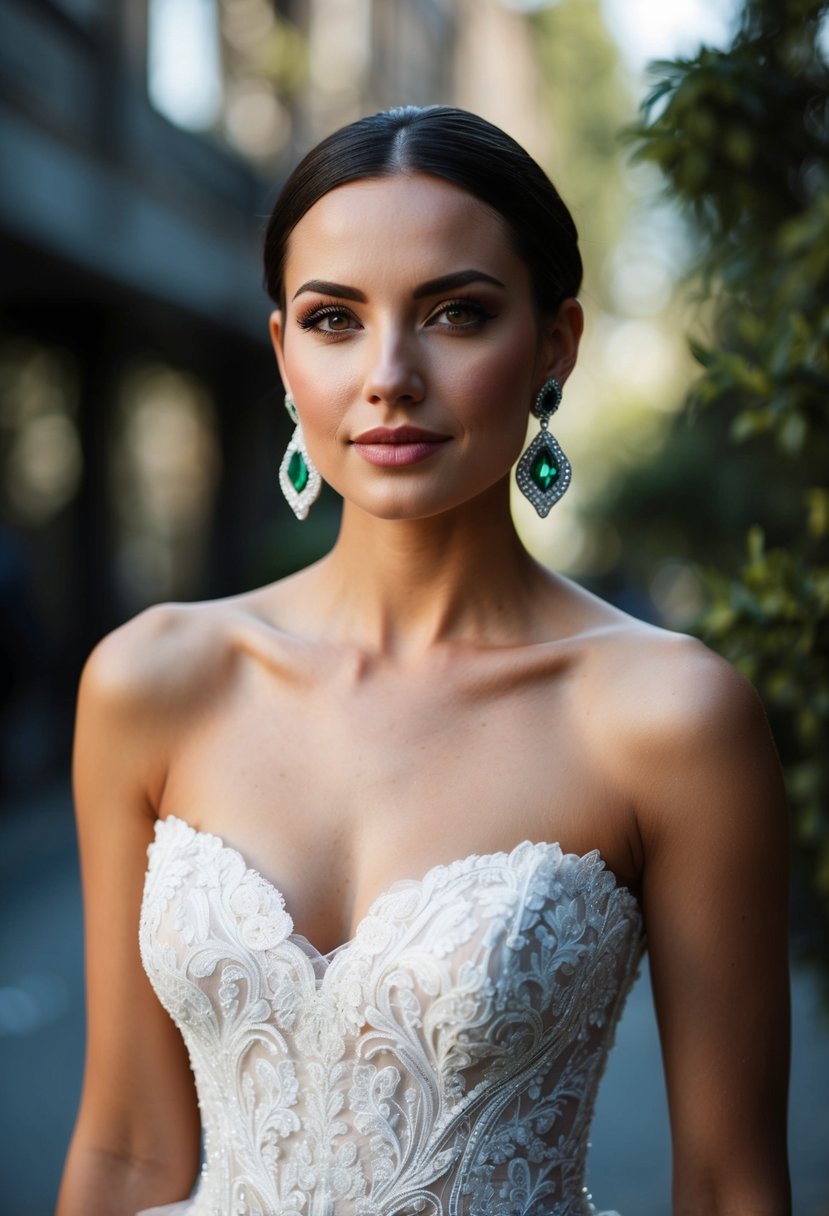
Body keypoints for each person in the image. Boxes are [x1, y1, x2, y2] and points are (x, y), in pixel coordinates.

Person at [57, 106, 791, 1216]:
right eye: (334, 320)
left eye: (456, 313)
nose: (389, 374)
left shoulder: (669, 716)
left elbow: (732, 1184)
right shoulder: (152, 679)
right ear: (282, 351)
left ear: (555, 344)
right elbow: (123, 1152)